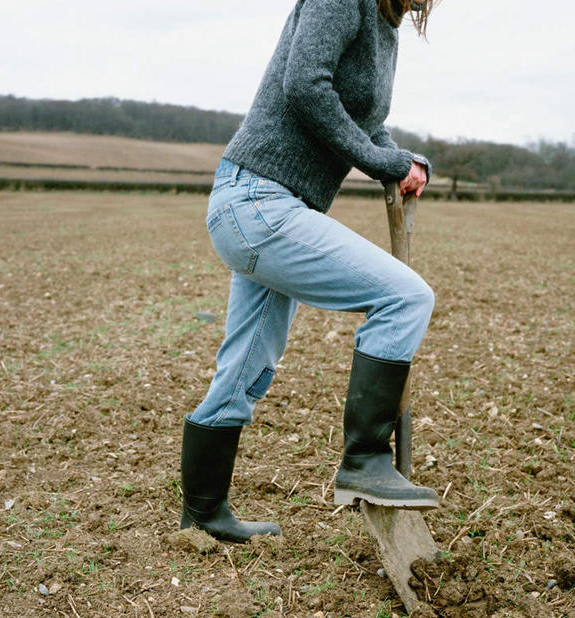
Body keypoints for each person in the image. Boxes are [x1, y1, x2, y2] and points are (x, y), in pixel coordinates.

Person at [180, 0, 441, 543]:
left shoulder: (383, 24)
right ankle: (365, 460)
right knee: (405, 297)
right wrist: (383, 163)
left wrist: (401, 158)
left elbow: (365, 123)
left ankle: (203, 516)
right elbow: (306, 85)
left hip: (264, 205)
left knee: (248, 365)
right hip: (259, 202)